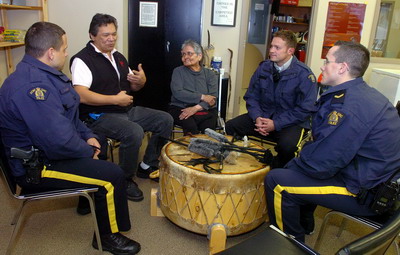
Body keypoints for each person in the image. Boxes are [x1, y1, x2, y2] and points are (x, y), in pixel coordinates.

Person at [0, 22, 140, 254]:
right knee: (112, 176)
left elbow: (69, 115)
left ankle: (89, 200)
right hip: (36, 167)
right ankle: (107, 237)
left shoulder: (45, 74)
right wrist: (87, 152)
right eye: (64, 49)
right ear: (51, 53)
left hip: (49, 149)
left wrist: (87, 136)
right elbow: (58, 141)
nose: (67, 53)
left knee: (100, 141)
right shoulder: (33, 88)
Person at [265, 41, 400, 242]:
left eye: (327, 62)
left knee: (277, 181)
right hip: (369, 174)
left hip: (365, 192)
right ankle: (305, 222)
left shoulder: (348, 107)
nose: (322, 66)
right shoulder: (362, 93)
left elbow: (321, 164)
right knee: (297, 169)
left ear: (342, 68)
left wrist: (293, 165)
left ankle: (290, 245)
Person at [70, 13, 173, 201]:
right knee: (134, 132)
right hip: (97, 115)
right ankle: (124, 179)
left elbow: (132, 87)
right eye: (105, 35)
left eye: (114, 34)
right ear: (92, 36)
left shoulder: (118, 57)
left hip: (124, 110)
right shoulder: (82, 60)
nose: (111, 39)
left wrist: (141, 81)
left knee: (165, 119)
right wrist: (114, 100)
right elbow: (81, 95)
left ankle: (147, 165)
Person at [225, 30, 317, 168]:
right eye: (271, 46)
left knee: (288, 147)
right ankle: (243, 161)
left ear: (290, 50)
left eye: (277, 48)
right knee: (231, 126)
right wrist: (257, 117)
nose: (272, 50)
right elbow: (251, 96)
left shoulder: (304, 75)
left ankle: (277, 170)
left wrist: (275, 124)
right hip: (263, 116)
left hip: (289, 122)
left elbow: (305, 109)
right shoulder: (263, 68)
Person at [169, 39, 218, 135]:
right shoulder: (178, 72)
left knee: (208, 131)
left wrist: (195, 108)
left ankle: (206, 150)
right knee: (190, 127)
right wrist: (202, 97)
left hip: (205, 109)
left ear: (199, 56)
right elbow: (178, 93)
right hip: (180, 107)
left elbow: (212, 98)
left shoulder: (210, 74)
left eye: (189, 53)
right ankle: (191, 149)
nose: (185, 57)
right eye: (183, 54)